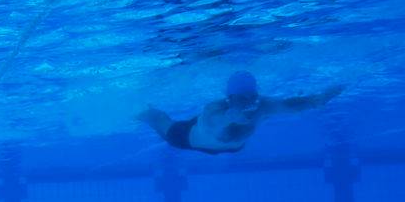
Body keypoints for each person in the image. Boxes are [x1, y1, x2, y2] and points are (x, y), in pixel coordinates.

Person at [139, 71, 343, 155]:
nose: (249, 102)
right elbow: (216, 122)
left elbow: (290, 105)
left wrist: (319, 99)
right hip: (186, 137)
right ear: (229, 98)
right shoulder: (214, 110)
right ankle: (134, 109)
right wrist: (230, 117)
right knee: (157, 118)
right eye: (241, 98)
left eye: (251, 96)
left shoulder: (261, 105)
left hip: (230, 146)